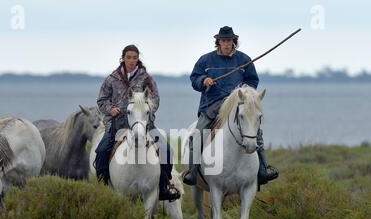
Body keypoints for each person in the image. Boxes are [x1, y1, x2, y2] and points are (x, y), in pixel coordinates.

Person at [183, 26, 279, 189]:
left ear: (234, 41)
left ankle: (263, 170)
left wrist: (243, 92)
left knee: (256, 132)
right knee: (198, 134)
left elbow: (253, 81)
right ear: (218, 42)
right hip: (212, 105)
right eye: (223, 40)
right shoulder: (205, 60)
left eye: (229, 40)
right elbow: (194, 79)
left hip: (237, 105)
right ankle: (193, 171)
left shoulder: (244, 60)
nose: (226, 44)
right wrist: (204, 80)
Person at [94, 44, 180, 201]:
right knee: (101, 152)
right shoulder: (112, 79)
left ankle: (163, 187)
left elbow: (155, 99)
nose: (131, 61)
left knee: (167, 151)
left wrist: (145, 108)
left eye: (134, 58)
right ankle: (104, 188)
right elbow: (101, 100)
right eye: (128, 57)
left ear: (138, 59)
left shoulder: (146, 78)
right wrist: (111, 109)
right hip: (118, 124)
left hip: (144, 124)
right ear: (123, 58)